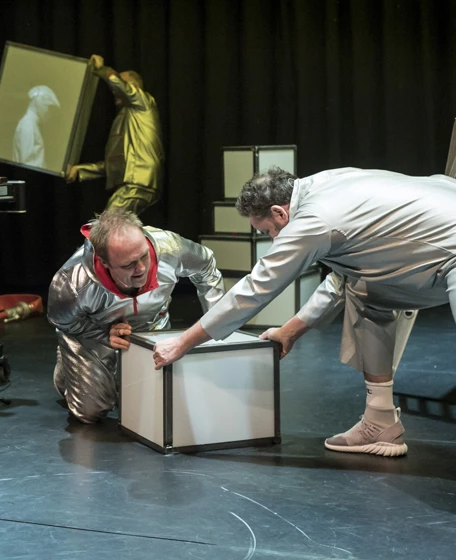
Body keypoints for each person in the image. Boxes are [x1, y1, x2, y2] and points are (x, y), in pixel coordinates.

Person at [151, 167, 456, 457]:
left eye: (268, 231)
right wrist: (289, 332)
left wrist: (183, 342)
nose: (273, 240)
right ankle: (380, 421)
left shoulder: (313, 219)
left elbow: (257, 288)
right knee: (367, 292)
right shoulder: (325, 184)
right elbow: (345, 277)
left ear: (279, 213)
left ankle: (380, 422)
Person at [48, 208, 225, 423]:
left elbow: (207, 266)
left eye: (144, 256)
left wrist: (215, 325)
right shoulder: (73, 281)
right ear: (104, 262)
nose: (141, 268)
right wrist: (104, 333)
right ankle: (66, 370)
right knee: (91, 412)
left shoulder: (170, 249)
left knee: (158, 400)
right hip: (95, 333)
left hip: (153, 325)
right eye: (128, 264)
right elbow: (63, 321)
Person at [66, 55, 164, 216]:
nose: (114, 89)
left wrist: (102, 70)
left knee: (109, 223)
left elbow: (121, 87)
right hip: (134, 183)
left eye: (120, 83)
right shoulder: (124, 119)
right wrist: (80, 170)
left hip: (138, 182)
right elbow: (113, 165)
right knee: (117, 226)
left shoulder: (144, 103)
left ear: (135, 88)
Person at [12, 85, 60, 170]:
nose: (48, 112)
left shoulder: (31, 124)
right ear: (39, 104)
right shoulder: (28, 124)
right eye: (48, 107)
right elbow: (27, 163)